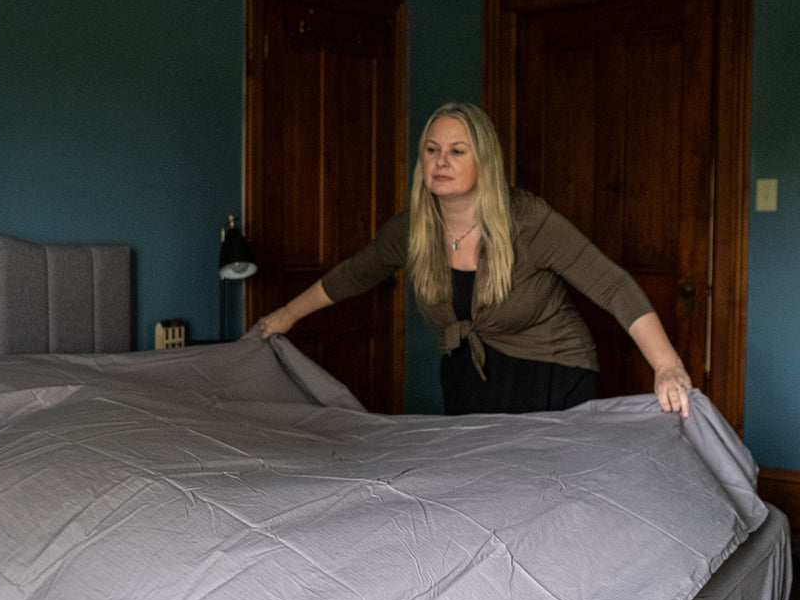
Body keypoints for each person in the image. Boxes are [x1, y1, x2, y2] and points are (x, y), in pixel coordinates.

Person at [260, 102, 693, 417]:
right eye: (431, 150)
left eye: (456, 151)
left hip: (552, 373)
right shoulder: (413, 228)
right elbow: (354, 274)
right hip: (471, 375)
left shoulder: (527, 219)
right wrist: (285, 315)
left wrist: (666, 366)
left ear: (484, 161)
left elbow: (612, 285)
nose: (440, 161)